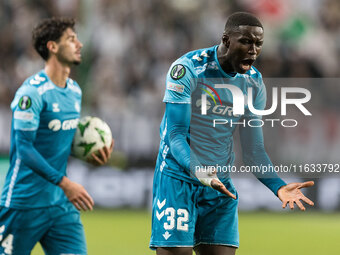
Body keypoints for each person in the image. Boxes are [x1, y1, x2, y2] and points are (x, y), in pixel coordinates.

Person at [150, 12, 314, 255]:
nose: (253, 50)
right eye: (246, 41)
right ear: (226, 40)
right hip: (179, 178)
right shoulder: (188, 69)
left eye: (258, 43)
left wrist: (278, 186)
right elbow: (175, 135)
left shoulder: (254, 83)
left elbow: (254, 151)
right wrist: (201, 173)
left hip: (219, 184)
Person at [0, 17, 113, 254]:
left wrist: (89, 151)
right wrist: (65, 182)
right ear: (52, 46)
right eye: (71, 39)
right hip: (24, 203)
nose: (79, 44)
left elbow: (58, 140)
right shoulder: (31, 93)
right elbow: (24, 147)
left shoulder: (74, 91)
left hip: (60, 204)